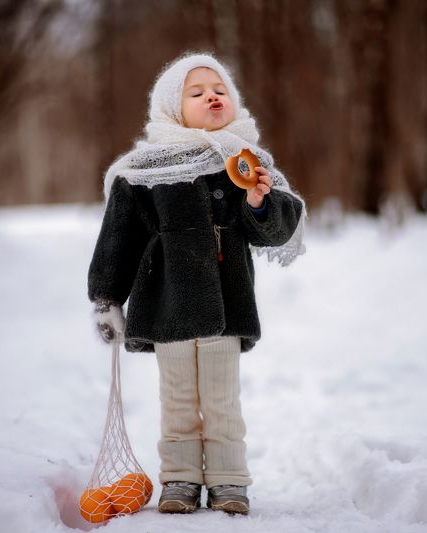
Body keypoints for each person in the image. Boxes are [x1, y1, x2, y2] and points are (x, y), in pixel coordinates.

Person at [87, 52, 306, 516]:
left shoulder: (246, 161)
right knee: (179, 398)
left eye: (220, 90)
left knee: (223, 398)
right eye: (197, 91)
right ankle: (181, 479)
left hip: (226, 302)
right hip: (167, 302)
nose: (212, 96)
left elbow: (275, 229)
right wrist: (107, 298)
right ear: (172, 107)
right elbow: (118, 239)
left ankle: (229, 480)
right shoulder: (144, 171)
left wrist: (260, 202)